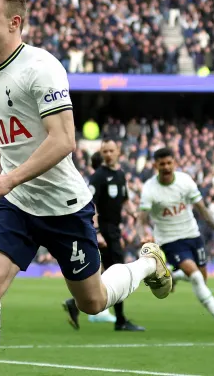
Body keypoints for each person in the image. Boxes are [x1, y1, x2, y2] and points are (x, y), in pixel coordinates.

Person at [0, 0, 172, 376]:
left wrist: (8, 180)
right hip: (18, 203)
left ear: (14, 22)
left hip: (64, 207)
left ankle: (147, 264)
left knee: (92, 301)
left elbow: (64, 140)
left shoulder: (42, 68)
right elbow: (13, 147)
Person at [137, 148, 214, 334]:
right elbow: (141, 219)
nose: (166, 167)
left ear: (174, 163)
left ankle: (173, 277)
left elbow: (202, 209)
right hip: (170, 240)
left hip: (192, 234)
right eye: (162, 164)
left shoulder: (185, 181)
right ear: (155, 165)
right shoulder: (149, 188)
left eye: (169, 163)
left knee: (202, 279)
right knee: (196, 277)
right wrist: (143, 234)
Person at [62, 140, 145, 331]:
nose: (108, 154)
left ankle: (75, 303)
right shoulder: (98, 176)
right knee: (118, 271)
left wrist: (134, 213)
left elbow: (125, 200)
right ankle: (121, 320)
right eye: (105, 151)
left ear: (118, 153)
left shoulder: (121, 175)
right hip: (104, 230)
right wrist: (97, 232)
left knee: (110, 272)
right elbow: (92, 205)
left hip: (114, 228)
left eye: (111, 150)